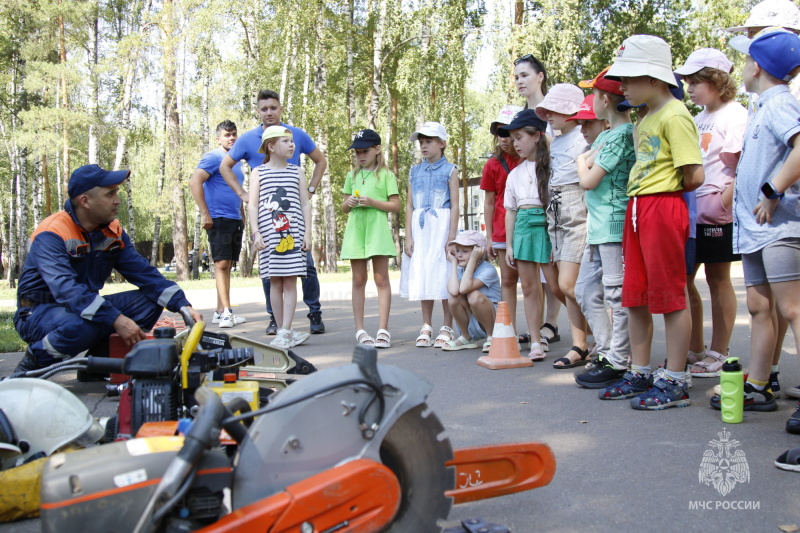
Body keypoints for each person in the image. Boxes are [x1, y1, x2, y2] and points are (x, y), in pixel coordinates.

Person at [13, 165, 204, 373]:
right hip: (37, 313)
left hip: (80, 307)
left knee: (149, 302)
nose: (117, 200)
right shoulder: (52, 233)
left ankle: (97, 367)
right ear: (85, 201)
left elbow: (144, 274)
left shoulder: (112, 232)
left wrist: (183, 306)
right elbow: (66, 289)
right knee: (86, 322)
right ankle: (31, 367)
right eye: (110, 194)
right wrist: (116, 318)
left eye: (117, 193)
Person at [599, 35, 704, 410]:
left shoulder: (676, 115)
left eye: (629, 77)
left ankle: (676, 378)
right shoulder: (645, 117)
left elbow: (694, 175)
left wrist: (662, 195)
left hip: (662, 207)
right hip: (637, 209)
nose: (621, 85)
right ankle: (640, 370)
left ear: (657, 79)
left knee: (670, 295)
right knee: (636, 295)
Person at [708, 28, 800, 423]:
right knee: (761, 306)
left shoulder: (780, 104)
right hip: (755, 229)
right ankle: (760, 384)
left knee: (793, 308)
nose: (743, 67)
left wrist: (772, 189)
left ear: (757, 66)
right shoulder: (764, 105)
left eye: (746, 60)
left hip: (779, 227)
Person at [220, 89, 327, 335]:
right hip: (268, 224)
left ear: (280, 109)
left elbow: (320, 160)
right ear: (258, 111)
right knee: (272, 277)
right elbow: (226, 166)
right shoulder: (248, 140)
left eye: (273, 108)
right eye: (264, 109)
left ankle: (313, 312)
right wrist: (244, 195)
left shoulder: (295, 135)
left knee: (305, 268)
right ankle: (276, 322)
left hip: (294, 222)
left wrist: (309, 190)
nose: (269, 112)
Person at [673, 49, 748, 379]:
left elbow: (743, 164)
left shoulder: (735, 115)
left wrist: (723, 202)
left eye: (695, 80)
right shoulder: (696, 116)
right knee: (686, 280)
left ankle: (719, 352)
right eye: (687, 81)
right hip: (691, 213)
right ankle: (696, 349)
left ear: (717, 80)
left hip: (717, 215)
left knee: (718, 281)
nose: (689, 87)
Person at [573, 68, 635, 388]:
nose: (591, 103)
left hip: (613, 225)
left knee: (616, 294)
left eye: (594, 95)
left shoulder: (623, 135)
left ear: (605, 100)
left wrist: (582, 161)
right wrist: (587, 158)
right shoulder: (608, 135)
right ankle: (607, 347)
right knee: (584, 289)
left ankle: (618, 358)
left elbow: (588, 179)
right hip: (598, 228)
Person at [534, 84, 591, 367]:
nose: (549, 116)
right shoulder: (555, 140)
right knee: (558, 285)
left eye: (554, 110)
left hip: (576, 210)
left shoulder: (584, 137)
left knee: (570, 285)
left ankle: (596, 341)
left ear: (572, 112)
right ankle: (582, 343)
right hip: (555, 213)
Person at [513, 53, 563, 347]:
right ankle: (538, 330)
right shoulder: (518, 117)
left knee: (554, 270)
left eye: (525, 75)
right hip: (527, 198)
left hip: (555, 195)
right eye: (517, 76)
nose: (520, 80)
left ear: (540, 77)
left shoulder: (555, 111)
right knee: (532, 275)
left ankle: (552, 323)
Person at [248, 126, 312, 350]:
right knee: (274, 280)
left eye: (292, 141)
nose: (292, 144)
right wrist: (255, 232)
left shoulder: (297, 172)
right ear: (271, 146)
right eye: (285, 141)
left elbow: (305, 203)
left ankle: (286, 329)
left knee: (290, 279)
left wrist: (307, 232)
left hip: (292, 234)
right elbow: (253, 204)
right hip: (268, 235)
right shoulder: (259, 172)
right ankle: (282, 329)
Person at [497, 109, 552, 360]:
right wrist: (509, 245)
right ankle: (536, 341)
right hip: (523, 228)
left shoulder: (552, 165)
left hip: (548, 226)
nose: (515, 143)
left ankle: (581, 338)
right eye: (513, 138)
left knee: (560, 286)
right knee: (529, 286)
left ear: (537, 136)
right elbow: (510, 211)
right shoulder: (515, 174)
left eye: (519, 137)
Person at [400, 122, 459, 348]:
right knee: (424, 270)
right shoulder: (415, 171)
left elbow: (455, 205)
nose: (423, 146)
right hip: (421, 227)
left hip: (441, 225)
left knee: (442, 272)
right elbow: (409, 205)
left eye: (429, 141)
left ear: (442, 143)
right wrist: (409, 235)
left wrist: (451, 236)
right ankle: (426, 324)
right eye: (421, 142)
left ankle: (447, 324)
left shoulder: (450, 170)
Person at [340, 129, 400, 348]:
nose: (360, 156)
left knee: (381, 279)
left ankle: (383, 330)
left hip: (377, 231)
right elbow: (344, 207)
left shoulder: (386, 175)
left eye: (364, 151)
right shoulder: (352, 176)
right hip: (356, 231)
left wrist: (373, 202)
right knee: (358, 280)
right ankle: (360, 330)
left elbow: (396, 205)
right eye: (357, 153)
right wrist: (350, 203)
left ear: (377, 149)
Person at [189, 120, 248, 329]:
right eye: (227, 135)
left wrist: (242, 214)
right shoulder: (214, 157)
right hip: (218, 218)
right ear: (218, 138)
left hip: (233, 218)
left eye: (234, 134)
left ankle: (220, 311)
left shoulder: (236, 161)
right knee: (221, 263)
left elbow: (236, 189)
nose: (231, 138)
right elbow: (195, 181)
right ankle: (227, 312)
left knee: (228, 263)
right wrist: (205, 213)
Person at [480, 105, 522, 332]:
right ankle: (510, 330)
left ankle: (540, 332)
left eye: (507, 132)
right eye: (499, 133)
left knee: (533, 283)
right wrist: (488, 237)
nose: (503, 138)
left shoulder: (529, 158)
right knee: (507, 280)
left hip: (527, 227)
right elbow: (488, 201)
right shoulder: (493, 164)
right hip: (501, 229)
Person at [443, 231, 500, 352]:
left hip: (493, 318)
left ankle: (492, 337)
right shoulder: (460, 269)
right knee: (454, 297)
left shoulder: (488, 269)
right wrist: (453, 264)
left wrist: (473, 259)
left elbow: (465, 288)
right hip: (473, 317)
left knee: (473, 295)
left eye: (465, 251)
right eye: (457, 250)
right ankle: (466, 337)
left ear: (478, 252)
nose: (459, 255)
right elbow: (453, 291)